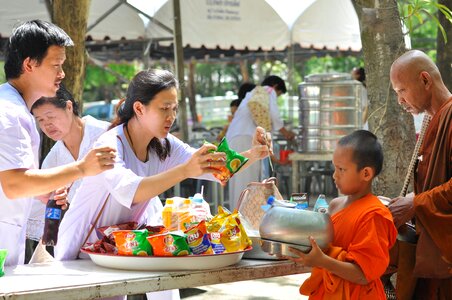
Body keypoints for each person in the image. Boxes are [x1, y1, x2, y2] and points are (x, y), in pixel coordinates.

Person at [54, 69, 270, 300]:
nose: (171, 116)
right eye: (164, 108)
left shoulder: (164, 144)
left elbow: (217, 167)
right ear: (139, 108)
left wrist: (253, 153)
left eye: (174, 108)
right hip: (81, 250)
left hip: (117, 247)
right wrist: (185, 170)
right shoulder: (109, 144)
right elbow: (131, 191)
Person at [0, 20, 116, 267]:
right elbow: (14, 184)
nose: (62, 74)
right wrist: (82, 168)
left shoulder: (13, 108)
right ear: (29, 64)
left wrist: (41, 190)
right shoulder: (10, 114)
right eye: (56, 65)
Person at [287, 130, 397, 299]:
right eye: (334, 167)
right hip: (328, 291)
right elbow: (322, 248)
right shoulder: (335, 205)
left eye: (341, 169)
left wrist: (322, 261)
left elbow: (363, 274)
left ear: (366, 173)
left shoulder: (374, 215)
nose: (334, 175)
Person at [388, 49, 452, 299]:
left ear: (425, 80)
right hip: (431, 250)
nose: (400, 101)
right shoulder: (432, 119)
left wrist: (416, 203)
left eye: (402, 90)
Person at [26, 85, 111, 245]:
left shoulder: (106, 135)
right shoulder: (55, 156)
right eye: (41, 120)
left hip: (126, 230)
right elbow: (38, 202)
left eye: (50, 116)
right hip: (84, 241)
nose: (47, 125)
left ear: (69, 106)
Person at [225, 75, 295, 209]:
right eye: (279, 94)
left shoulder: (253, 93)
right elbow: (274, 115)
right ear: (275, 87)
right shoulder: (268, 91)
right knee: (247, 183)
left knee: (238, 182)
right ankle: (243, 219)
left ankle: (238, 218)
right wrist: (286, 133)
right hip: (245, 138)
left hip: (234, 138)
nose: (277, 96)